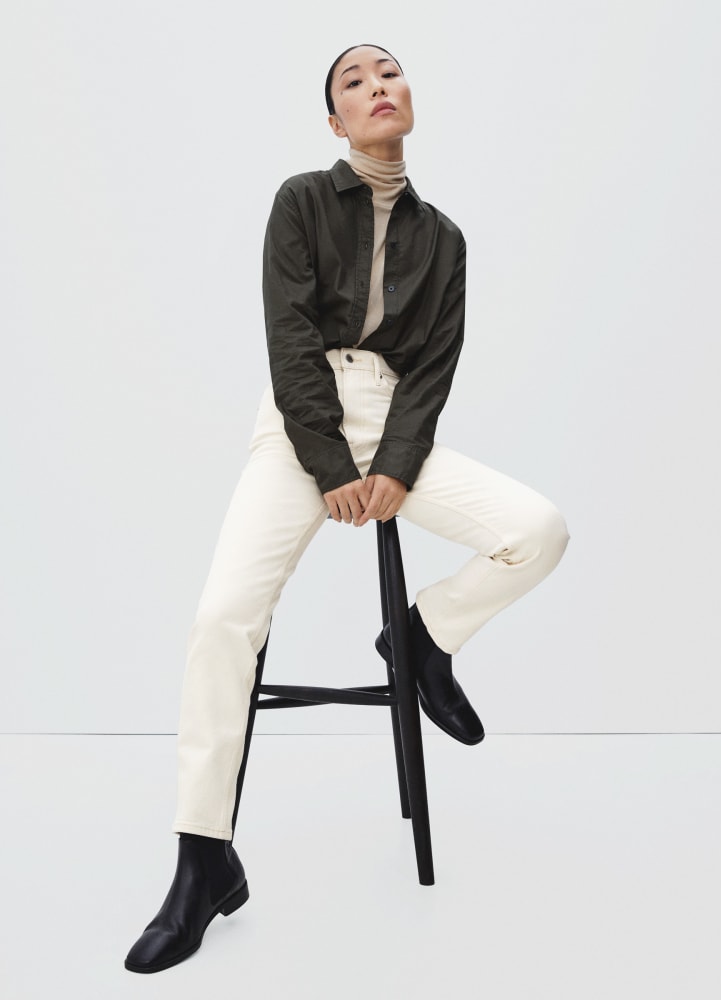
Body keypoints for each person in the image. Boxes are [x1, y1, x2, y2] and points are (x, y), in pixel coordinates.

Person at [124, 44, 569, 974]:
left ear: (410, 96)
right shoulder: (299, 201)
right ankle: (203, 858)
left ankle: (418, 639)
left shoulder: (444, 238)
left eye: (389, 72)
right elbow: (289, 341)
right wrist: (329, 463)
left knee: (537, 531)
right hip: (300, 428)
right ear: (336, 120)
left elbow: (434, 367)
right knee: (222, 619)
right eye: (354, 82)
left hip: (394, 421)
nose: (377, 87)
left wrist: (396, 466)